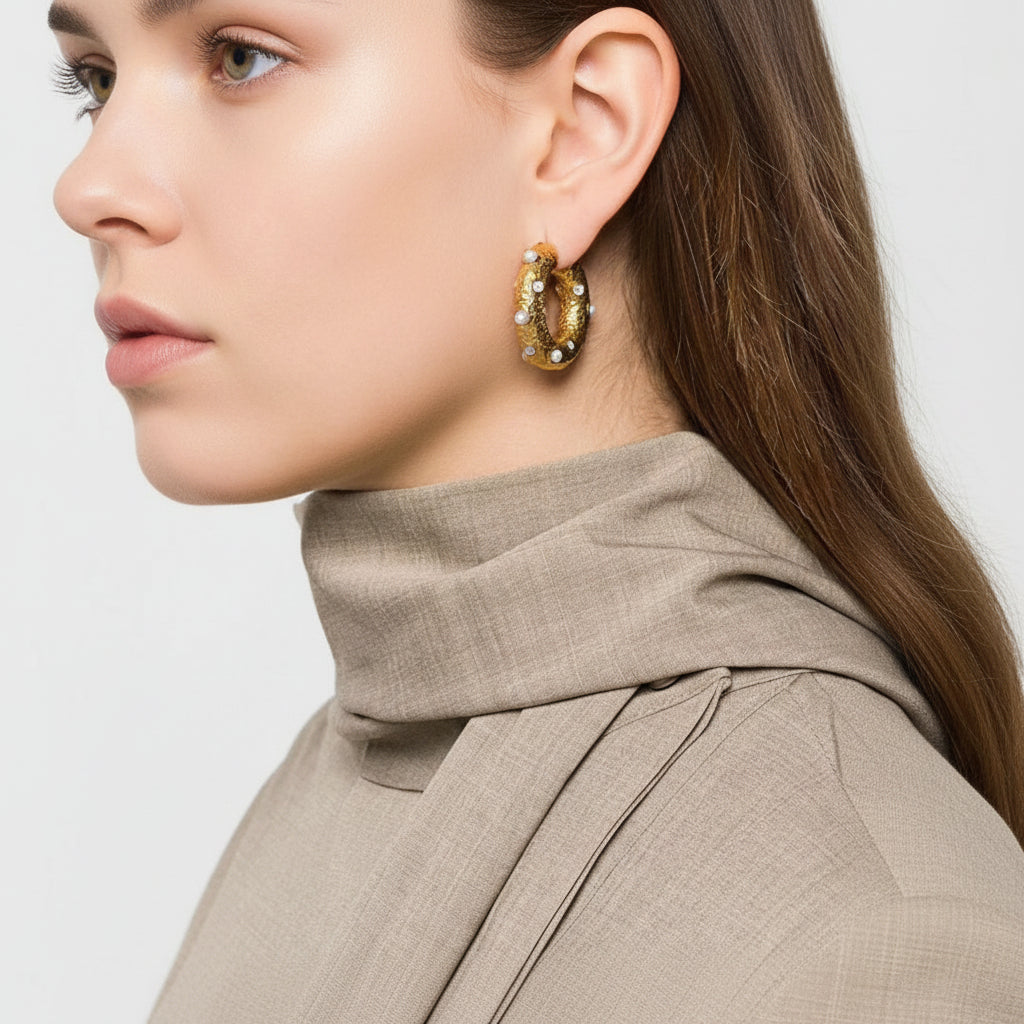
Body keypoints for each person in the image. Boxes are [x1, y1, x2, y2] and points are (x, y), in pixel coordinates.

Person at [46, 0, 1024, 1021]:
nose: (88, 187)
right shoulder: (358, 763)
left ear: (582, 129)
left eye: (241, 58)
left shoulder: (868, 941)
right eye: (96, 81)